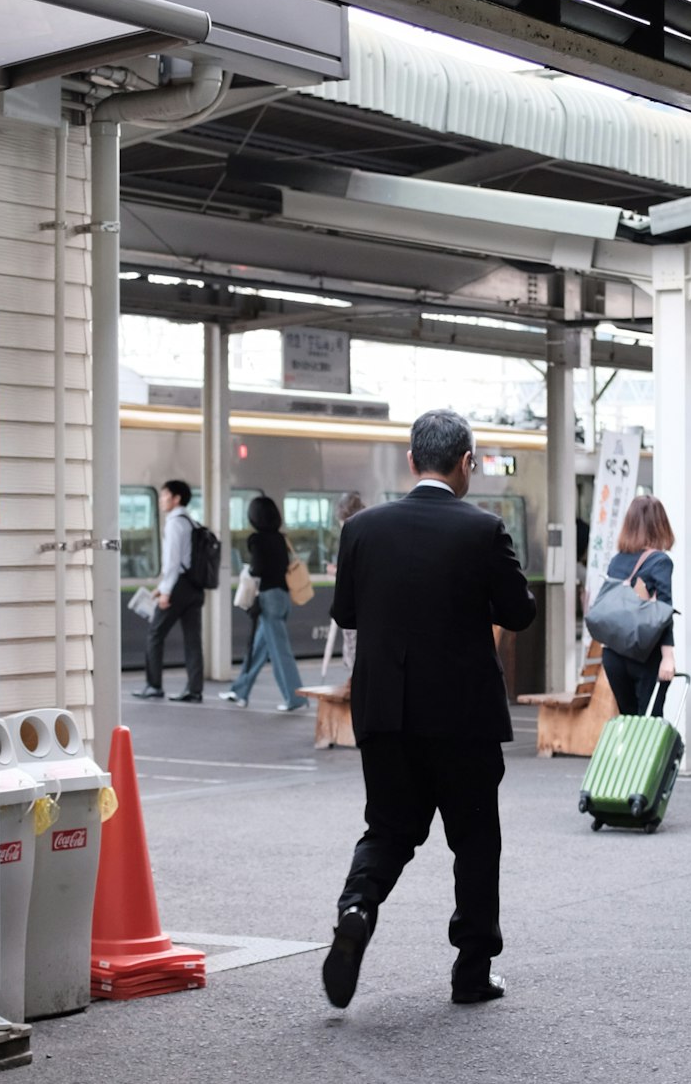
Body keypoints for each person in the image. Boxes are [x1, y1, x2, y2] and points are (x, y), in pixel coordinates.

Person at [320, 408, 537, 1011]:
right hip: (463, 718)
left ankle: (357, 908)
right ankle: (471, 973)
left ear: (412, 461)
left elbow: (347, 614)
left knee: (389, 829)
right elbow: (519, 613)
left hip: (385, 711)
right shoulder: (483, 530)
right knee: (474, 840)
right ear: (466, 463)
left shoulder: (362, 530)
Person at [218, 495, 306, 711]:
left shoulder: (256, 539)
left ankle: (296, 698)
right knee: (258, 649)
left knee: (280, 653)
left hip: (268, 599)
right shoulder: (280, 538)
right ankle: (240, 691)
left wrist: (247, 570)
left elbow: (257, 569)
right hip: (283, 598)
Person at [600, 495, 676, 718]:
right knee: (650, 724)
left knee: (630, 723)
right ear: (659, 524)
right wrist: (668, 657)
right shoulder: (660, 561)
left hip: (613, 654)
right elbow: (664, 610)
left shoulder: (616, 561)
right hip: (645, 655)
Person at [132, 478, 204, 702]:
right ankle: (194, 690)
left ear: (176, 498)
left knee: (155, 635)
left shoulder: (174, 523)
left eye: (165, 496)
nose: (162, 500)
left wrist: (166, 592)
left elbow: (172, 563)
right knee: (193, 640)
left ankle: (154, 685)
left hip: (178, 587)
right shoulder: (192, 522)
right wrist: (160, 588)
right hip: (194, 587)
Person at [333, 491, 365, 678]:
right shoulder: (372, 524)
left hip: (356, 603)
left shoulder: (350, 529)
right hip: (372, 605)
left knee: (354, 649)